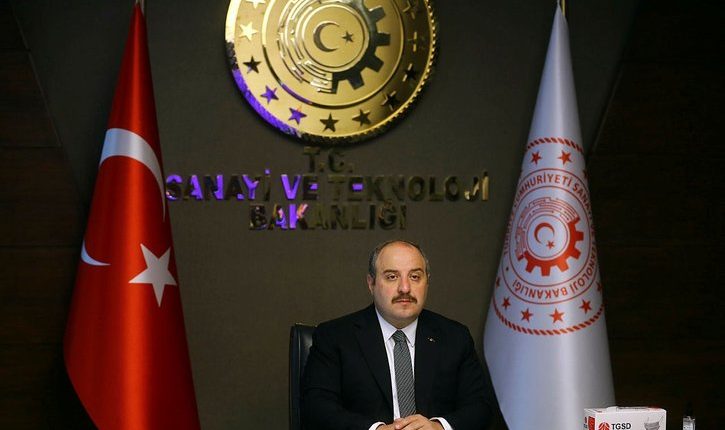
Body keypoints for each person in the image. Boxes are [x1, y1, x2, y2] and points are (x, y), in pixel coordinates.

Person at [302, 240, 496, 430]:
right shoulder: (335, 337)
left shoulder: (455, 337)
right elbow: (317, 408)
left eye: (415, 277)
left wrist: (439, 427)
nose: (405, 288)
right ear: (371, 283)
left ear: (427, 282)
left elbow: (480, 406)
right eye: (392, 277)